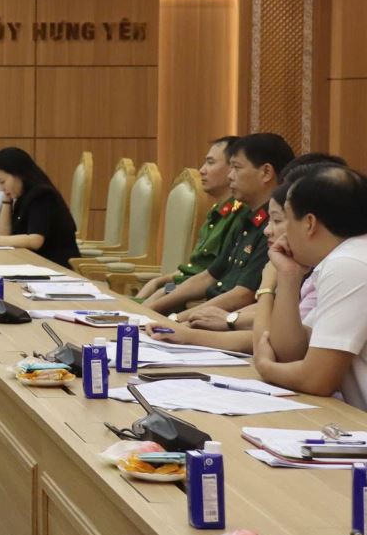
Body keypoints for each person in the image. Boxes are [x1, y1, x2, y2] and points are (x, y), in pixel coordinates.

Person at [248, 165, 367, 407]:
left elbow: (317, 380)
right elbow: (291, 354)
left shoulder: (349, 263)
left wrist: (265, 367)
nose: (282, 233)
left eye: (287, 218)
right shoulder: (347, 257)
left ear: (309, 223)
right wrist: (288, 276)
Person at [145, 133, 294, 319]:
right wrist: (149, 309)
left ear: (266, 172)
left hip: (225, 321)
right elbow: (208, 276)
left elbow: (243, 295)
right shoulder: (247, 219)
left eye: (237, 168)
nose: (230, 176)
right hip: (204, 313)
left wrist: (179, 319)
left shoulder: (273, 229)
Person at [135, 136, 242, 302]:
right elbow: (193, 268)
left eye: (211, 163)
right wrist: (157, 282)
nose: (202, 170)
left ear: (232, 168)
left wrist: (163, 290)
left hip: (195, 300)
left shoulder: (239, 216)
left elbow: (211, 277)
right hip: (180, 290)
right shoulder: (216, 212)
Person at [0, 147, 80, 267]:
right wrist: (6, 200)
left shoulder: (42, 195)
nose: (0, 188)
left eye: (2, 182)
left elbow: (35, 240)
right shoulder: (22, 196)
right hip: (34, 262)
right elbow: (5, 234)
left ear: (18, 174)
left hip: (56, 266)